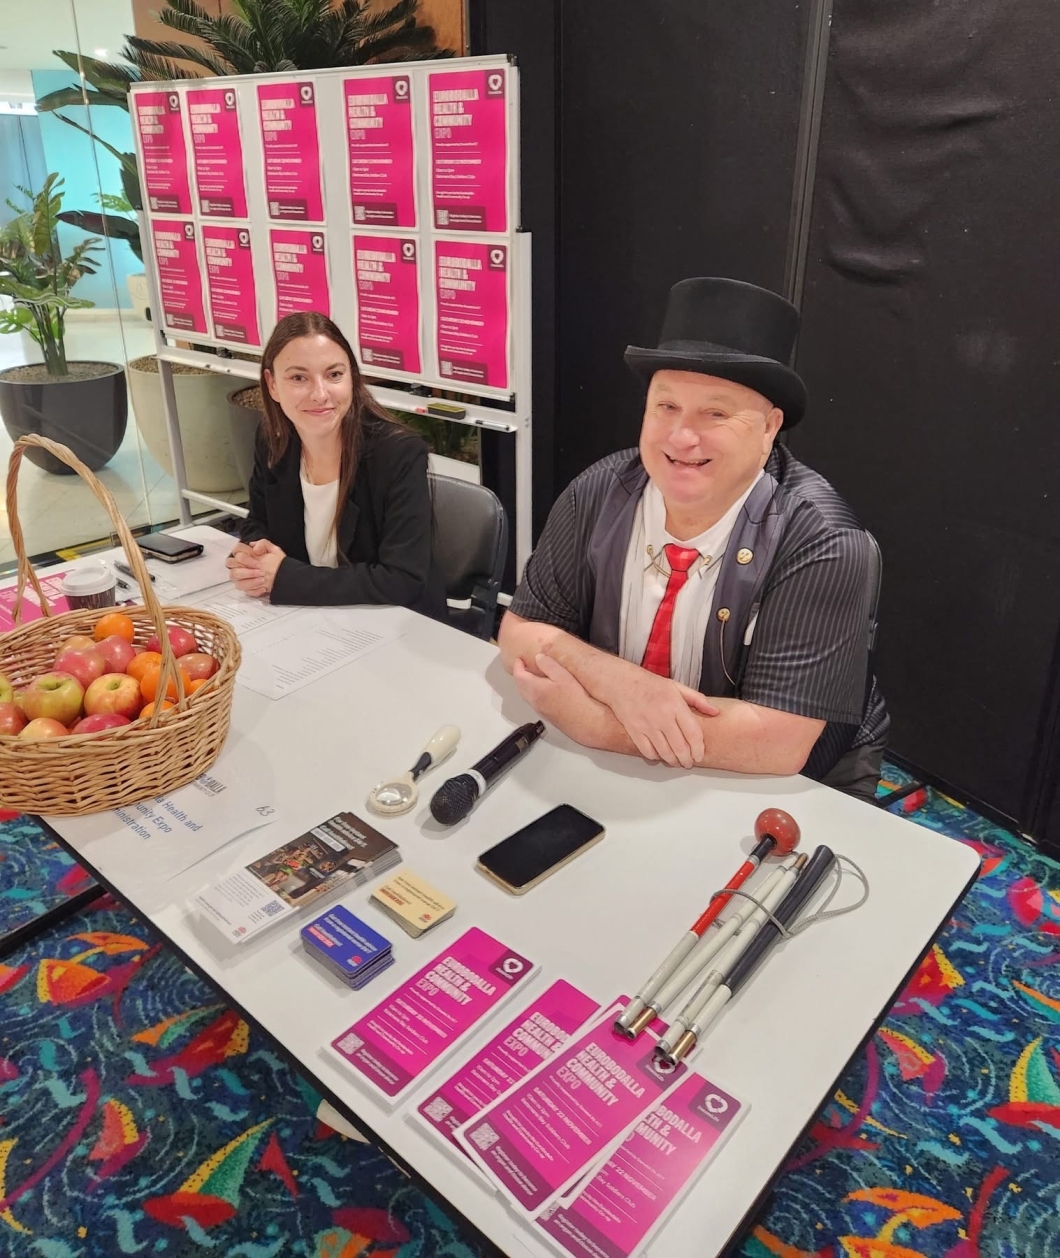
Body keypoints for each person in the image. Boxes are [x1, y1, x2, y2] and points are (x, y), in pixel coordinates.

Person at [498, 277, 889, 799]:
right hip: (619, 770)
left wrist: (596, 725)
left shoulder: (822, 539)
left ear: (770, 427)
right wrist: (619, 682)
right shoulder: (600, 491)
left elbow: (778, 740)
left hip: (768, 786)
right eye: (665, 406)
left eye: (716, 413)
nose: (681, 437)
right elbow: (521, 629)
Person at [226, 311, 446, 618]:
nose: (320, 394)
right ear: (272, 385)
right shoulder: (273, 440)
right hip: (310, 618)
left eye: (334, 375)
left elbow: (402, 579)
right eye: (298, 378)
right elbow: (257, 523)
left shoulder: (397, 454)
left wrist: (285, 577)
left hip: (393, 625)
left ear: (352, 379)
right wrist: (253, 556)